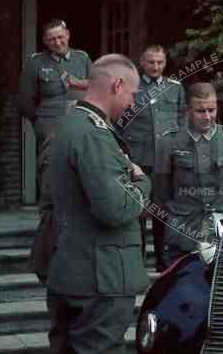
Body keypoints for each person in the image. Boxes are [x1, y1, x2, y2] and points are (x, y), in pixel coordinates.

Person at [46, 54, 151, 354]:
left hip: (71, 271)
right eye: (132, 94)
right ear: (117, 85)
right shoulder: (94, 134)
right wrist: (143, 182)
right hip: (101, 278)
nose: (132, 104)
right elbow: (115, 209)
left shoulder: (69, 125)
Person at [17, 19, 92, 283]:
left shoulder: (83, 59)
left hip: (81, 135)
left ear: (68, 34)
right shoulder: (36, 64)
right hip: (51, 136)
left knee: (80, 195)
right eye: (51, 39)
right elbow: (26, 102)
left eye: (61, 37)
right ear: (45, 42)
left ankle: (73, 261)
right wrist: (44, 125)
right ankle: (44, 263)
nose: (57, 43)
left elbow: (93, 90)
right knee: (50, 197)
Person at [156, 82, 223, 265]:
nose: (207, 117)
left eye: (211, 110)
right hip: (184, 230)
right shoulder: (169, 142)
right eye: (200, 111)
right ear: (188, 111)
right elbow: (161, 191)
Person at [117, 45, 186, 271]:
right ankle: (136, 263)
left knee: (163, 212)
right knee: (137, 212)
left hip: (165, 161)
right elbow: (119, 123)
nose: (156, 67)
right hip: (139, 160)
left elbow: (182, 123)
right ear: (142, 63)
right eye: (151, 62)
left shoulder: (174, 89)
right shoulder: (131, 89)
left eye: (160, 62)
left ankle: (162, 261)